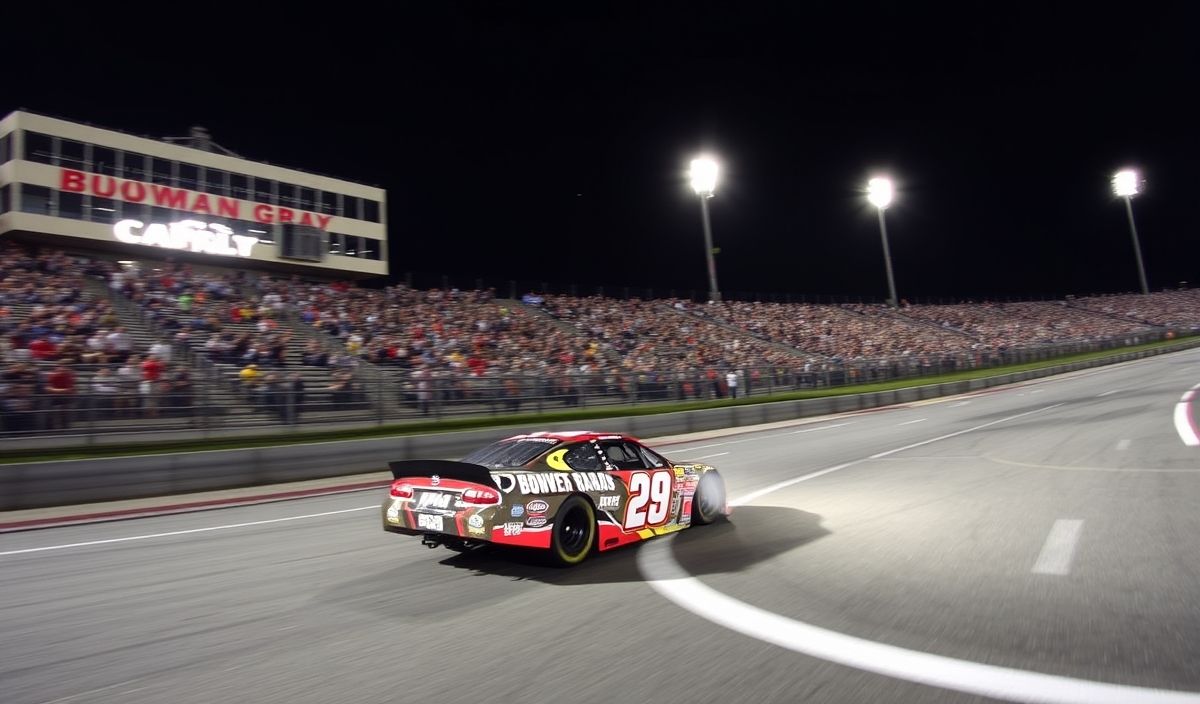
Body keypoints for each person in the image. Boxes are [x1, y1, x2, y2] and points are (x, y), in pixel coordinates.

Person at [44, 361, 76, 429]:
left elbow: (70, 389)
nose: (63, 368)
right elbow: (47, 388)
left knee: (65, 408)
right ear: (57, 367)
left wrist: (56, 391)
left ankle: (65, 427)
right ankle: (51, 428)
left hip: (66, 397)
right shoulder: (52, 375)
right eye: (61, 366)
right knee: (48, 405)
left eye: (65, 366)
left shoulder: (70, 375)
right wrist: (60, 391)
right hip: (54, 397)